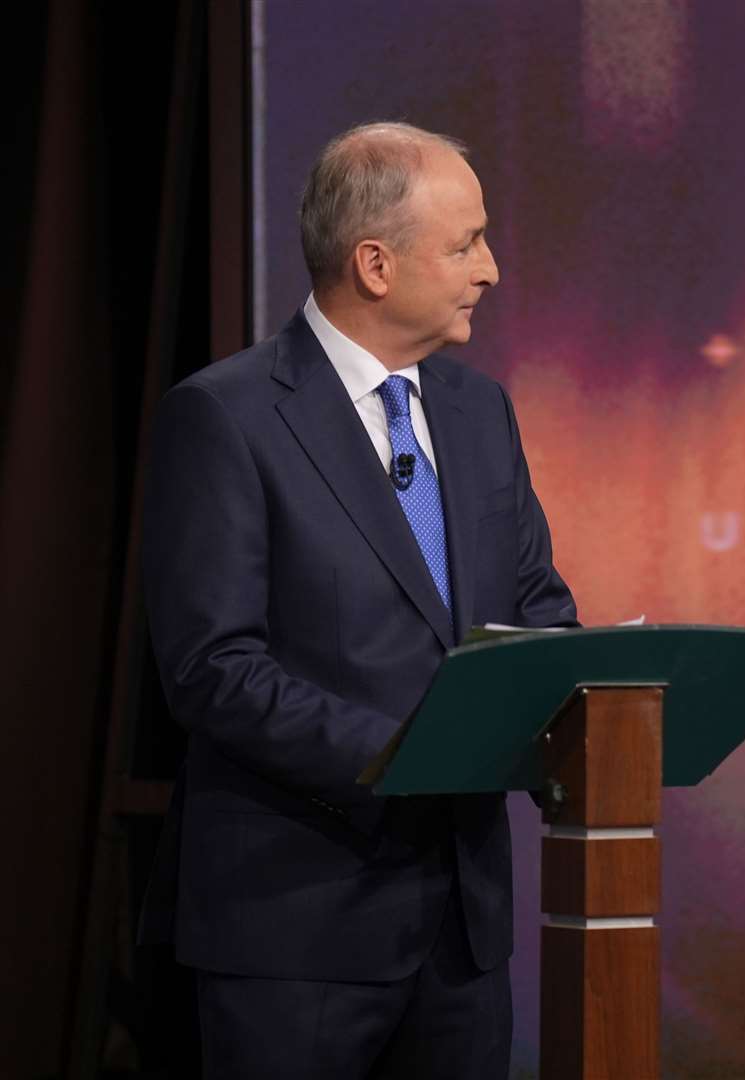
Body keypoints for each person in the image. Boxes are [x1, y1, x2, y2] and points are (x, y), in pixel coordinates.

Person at [141, 121, 578, 1078]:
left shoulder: (478, 410)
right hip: (296, 934)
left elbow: (537, 607)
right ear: (375, 264)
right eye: (466, 244)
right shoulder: (225, 417)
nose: (492, 269)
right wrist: (403, 758)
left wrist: (586, 693)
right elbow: (212, 668)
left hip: (462, 937)